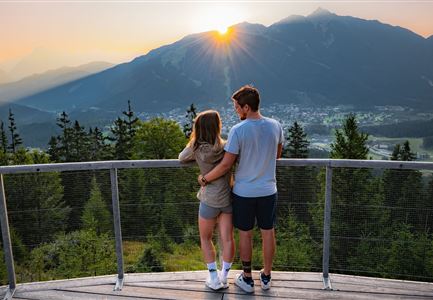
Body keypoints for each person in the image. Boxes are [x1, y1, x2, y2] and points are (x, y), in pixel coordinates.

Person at [198, 85, 283, 293]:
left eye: (237, 107)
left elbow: (226, 164)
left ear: (246, 107)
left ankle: (246, 278)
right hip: (268, 190)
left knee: (245, 234)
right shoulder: (275, 126)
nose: (236, 111)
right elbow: (277, 155)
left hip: (244, 192)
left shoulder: (238, 130)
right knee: (268, 232)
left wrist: (205, 178)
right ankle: (266, 276)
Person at [178, 110, 235, 291]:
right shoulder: (226, 147)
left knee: (205, 237)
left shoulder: (196, 148)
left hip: (209, 199)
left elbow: (181, 158)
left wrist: (193, 142)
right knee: (227, 239)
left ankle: (213, 278)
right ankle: (224, 277)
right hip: (227, 199)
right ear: (217, 127)